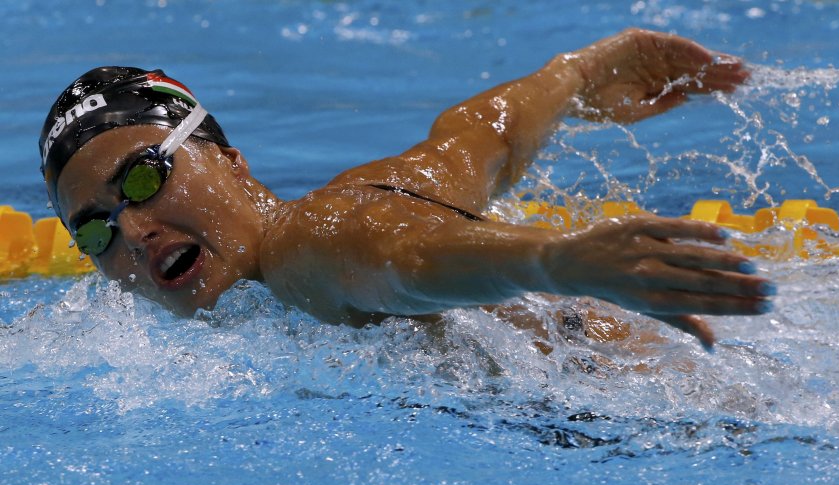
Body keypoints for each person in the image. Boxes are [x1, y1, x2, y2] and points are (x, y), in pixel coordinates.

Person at [40, 29, 774, 352]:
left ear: (229, 160)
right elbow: (473, 140)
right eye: (95, 230)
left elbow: (399, 258)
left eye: (142, 177)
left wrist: (554, 261)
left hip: (650, 401)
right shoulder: (372, 192)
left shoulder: (301, 249)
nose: (132, 231)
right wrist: (575, 78)